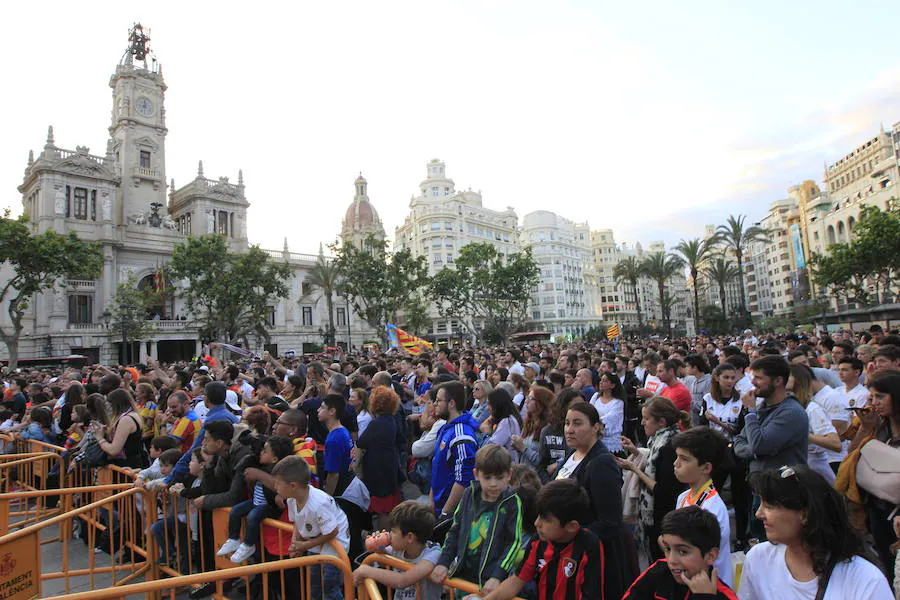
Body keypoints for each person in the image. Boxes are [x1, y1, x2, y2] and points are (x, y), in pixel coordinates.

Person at [738, 465, 893, 599]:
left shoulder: (865, 580)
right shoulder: (758, 559)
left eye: (769, 506)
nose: (759, 514)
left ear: (805, 514)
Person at [468, 479, 613, 600]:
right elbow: (516, 581)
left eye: (546, 519)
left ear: (571, 526)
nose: (537, 523)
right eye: (538, 516)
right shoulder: (538, 542)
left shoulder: (589, 545)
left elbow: (592, 594)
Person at [430, 444, 524, 597]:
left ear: (509, 475)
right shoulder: (469, 494)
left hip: (490, 581)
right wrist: (443, 562)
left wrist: (497, 575)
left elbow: (513, 542)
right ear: (476, 474)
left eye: (499, 478)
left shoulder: (512, 502)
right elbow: (455, 530)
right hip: (462, 575)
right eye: (487, 477)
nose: (493, 483)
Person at [555, 401, 627, 597]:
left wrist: (566, 533)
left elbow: (609, 523)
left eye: (578, 423)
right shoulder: (573, 452)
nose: (569, 429)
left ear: (596, 427)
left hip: (593, 560)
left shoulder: (601, 463)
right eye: (567, 423)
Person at [617, 396, 688, 563]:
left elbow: (663, 489)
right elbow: (653, 462)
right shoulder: (658, 440)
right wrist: (635, 451)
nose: (642, 423)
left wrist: (633, 468)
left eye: (647, 418)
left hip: (662, 515)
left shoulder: (669, 446)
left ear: (661, 422)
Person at [273, 456, 350, 600]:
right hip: (316, 538)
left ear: (293, 486)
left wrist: (305, 545)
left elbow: (332, 532)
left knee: (329, 586)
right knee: (314, 584)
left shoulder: (318, 504)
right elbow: (297, 521)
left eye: (278, 484)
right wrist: (295, 543)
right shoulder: (291, 499)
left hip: (335, 542)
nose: (275, 487)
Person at [850, 369, 900, 586]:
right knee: (886, 565)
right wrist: (865, 428)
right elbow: (852, 455)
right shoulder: (880, 428)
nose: (874, 402)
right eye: (872, 397)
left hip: (897, 512)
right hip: (877, 508)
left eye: (880, 396)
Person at [624, 506, 738, 599]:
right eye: (667, 549)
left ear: (711, 555)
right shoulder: (658, 572)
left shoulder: (724, 596)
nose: (671, 560)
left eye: (683, 551)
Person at [671, 427, 733, 588]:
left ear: (706, 468)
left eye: (684, 459)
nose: (675, 464)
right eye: (677, 457)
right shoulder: (684, 497)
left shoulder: (713, 508)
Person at [217, 435, 294, 563]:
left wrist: (261, 478)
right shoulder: (258, 464)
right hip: (256, 501)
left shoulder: (278, 472)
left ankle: (248, 545)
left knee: (252, 516)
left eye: (265, 451)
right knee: (235, 511)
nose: (261, 453)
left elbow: (278, 487)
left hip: (268, 505)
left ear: (274, 458)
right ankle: (233, 539)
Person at [700, 362, 750, 549]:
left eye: (732, 378)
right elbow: (702, 425)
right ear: (717, 378)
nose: (729, 381)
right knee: (713, 493)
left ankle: (742, 537)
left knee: (740, 495)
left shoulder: (741, 400)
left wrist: (719, 422)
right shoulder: (708, 398)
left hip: (736, 452)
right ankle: (711, 533)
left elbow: (741, 428)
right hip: (716, 453)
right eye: (726, 377)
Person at [733, 356, 809, 475]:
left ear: (778, 381)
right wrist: (755, 451)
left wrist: (750, 412)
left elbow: (759, 445)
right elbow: (739, 441)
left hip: (783, 488)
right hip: (761, 485)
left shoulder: (791, 412)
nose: (752, 382)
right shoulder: (762, 407)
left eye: (758, 378)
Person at [352, 501, 443, 600]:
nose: (390, 534)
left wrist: (366, 570)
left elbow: (402, 581)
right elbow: (383, 560)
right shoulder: (399, 549)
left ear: (410, 537)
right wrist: (379, 548)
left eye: (394, 531)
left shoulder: (432, 555)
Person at [431, 381, 480, 517]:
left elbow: (463, 480)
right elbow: (437, 466)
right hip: (437, 506)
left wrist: (445, 513)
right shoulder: (445, 428)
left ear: (451, 403)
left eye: (438, 400)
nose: (435, 404)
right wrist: (431, 502)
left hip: (450, 513)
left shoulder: (461, 435)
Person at [358, 386, 403, 531]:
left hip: (378, 469)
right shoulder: (391, 420)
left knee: (382, 509)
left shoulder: (376, 423)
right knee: (389, 506)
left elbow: (362, 442)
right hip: (389, 464)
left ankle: (382, 538)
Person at [786, 364, 841, 484]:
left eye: (788, 375)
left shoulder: (812, 408)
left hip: (817, 469)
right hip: (801, 466)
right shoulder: (791, 406)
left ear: (798, 379)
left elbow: (835, 443)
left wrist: (804, 434)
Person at [93, 388, 147, 469]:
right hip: (132, 463)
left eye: (110, 405)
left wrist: (100, 438)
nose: (109, 409)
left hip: (126, 467)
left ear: (116, 405)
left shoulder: (126, 420)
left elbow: (114, 450)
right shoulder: (134, 414)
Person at [318, 393, 355, 497]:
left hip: (341, 489)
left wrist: (327, 499)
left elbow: (333, 474)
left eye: (322, 407)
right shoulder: (343, 431)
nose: (318, 410)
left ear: (332, 411)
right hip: (348, 483)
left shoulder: (334, 439)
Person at [512, 385, 553, 472]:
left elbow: (542, 461)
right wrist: (517, 446)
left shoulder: (547, 428)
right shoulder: (529, 423)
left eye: (531, 398)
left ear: (541, 402)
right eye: (527, 397)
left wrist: (523, 448)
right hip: (523, 476)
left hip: (537, 480)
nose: (526, 401)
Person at [480, 388, 523, 462]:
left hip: (506, 466)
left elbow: (490, 448)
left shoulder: (507, 422)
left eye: (490, 404)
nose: (488, 407)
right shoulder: (507, 419)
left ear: (497, 405)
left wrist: (486, 434)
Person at [589, 371, 626, 454]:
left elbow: (611, 418)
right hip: (595, 437)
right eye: (601, 380)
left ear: (612, 385)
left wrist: (596, 422)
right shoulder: (596, 397)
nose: (601, 383)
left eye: (605, 381)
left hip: (610, 441)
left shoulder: (618, 402)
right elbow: (589, 410)